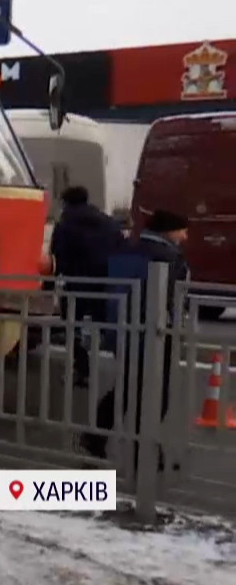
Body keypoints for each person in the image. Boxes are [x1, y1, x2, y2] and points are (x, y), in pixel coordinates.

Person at [82, 209, 191, 464]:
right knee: (156, 393)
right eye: (183, 230)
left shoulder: (126, 249)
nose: (185, 237)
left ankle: (97, 436)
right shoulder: (168, 256)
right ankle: (145, 450)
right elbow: (174, 298)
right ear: (169, 230)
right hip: (155, 331)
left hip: (124, 328)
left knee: (129, 386)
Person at [49, 186, 122, 387]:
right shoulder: (109, 223)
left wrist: (50, 283)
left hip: (76, 283)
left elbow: (57, 256)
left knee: (73, 326)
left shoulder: (65, 224)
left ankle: (83, 370)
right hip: (105, 283)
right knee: (110, 327)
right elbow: (120, 248)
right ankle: (129, 370)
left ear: (66, 202)